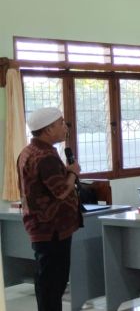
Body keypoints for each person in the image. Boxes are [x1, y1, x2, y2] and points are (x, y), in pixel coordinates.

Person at [17, 107, 81, 311]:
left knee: (46, 284)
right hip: (53, 229)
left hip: (41, 227)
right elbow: (61, 191)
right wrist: (72, 172)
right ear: (48, 129)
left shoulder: (27, 151)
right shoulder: (45, 156)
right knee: (53, 285)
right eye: (61, 123)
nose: (65, 127)